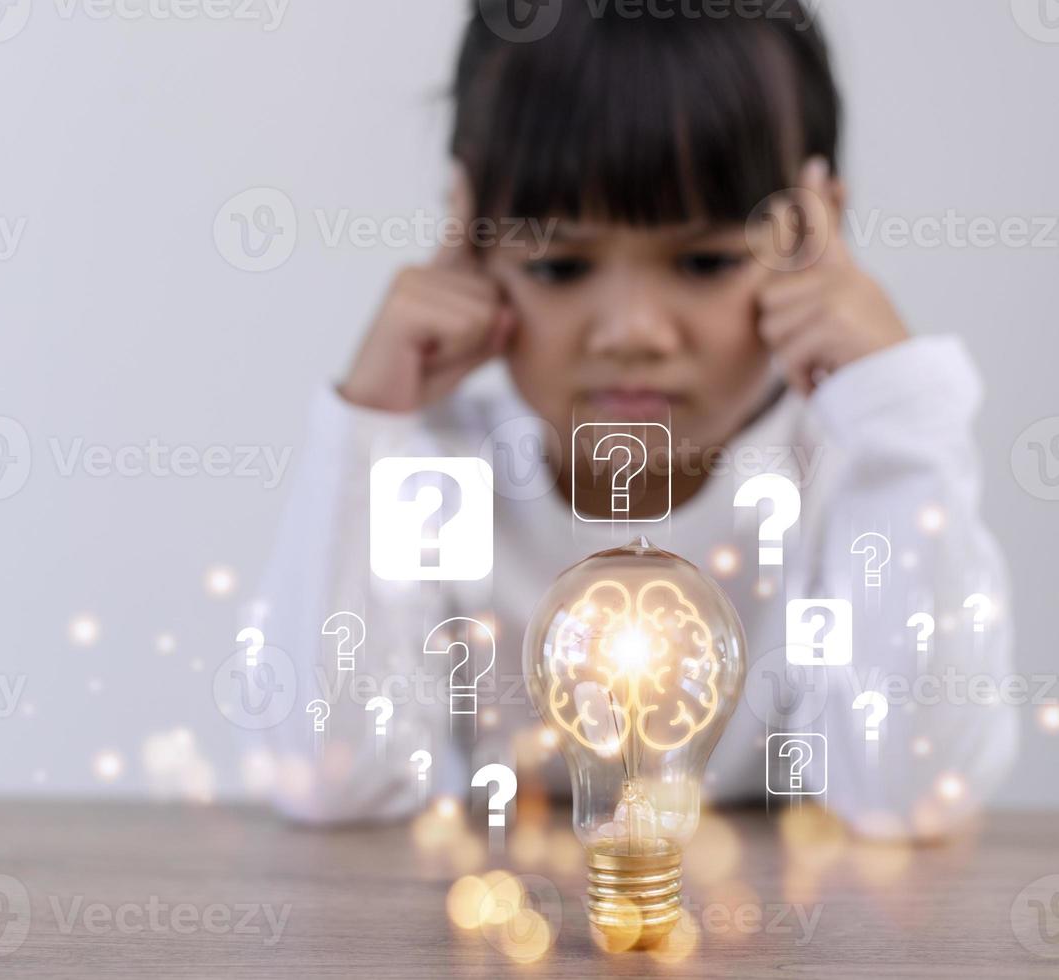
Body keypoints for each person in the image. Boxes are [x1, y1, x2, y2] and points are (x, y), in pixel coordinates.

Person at [250, 0, 1016, 839]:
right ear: (468, 235)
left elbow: (913, 794)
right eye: (559, 264)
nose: (634, 332)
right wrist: (368, 430)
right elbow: (331, 781)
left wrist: (900, 409)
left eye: (704, 261)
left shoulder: (853, 465)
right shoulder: (437, 469)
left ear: (814, 227)